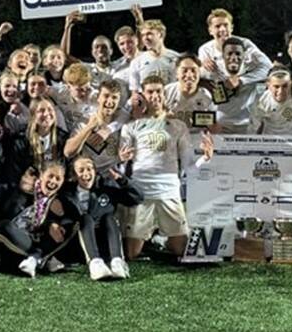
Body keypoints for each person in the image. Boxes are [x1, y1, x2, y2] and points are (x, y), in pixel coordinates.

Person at [119, 75, 214, 259]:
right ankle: (149, 234)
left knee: (181, 250)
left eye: (158, 91)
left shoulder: (178, 126)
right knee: (131, 254)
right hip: (141, 191)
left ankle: (160, 238)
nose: (155, 95)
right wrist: (122, 161)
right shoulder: (131, 127)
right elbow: (123, 169)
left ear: (164, 94)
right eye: (150, 92)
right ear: (143, 95)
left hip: (169, 191)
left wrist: (205, 158)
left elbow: (188, 167)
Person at [64, 155, 141, 280]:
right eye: (81, 170)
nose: (86, 173)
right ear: (74, 175)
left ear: (95, 171)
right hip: (79, 244)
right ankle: (95, 264)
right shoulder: (67, 193)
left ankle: (117, 261)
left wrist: (123, 181)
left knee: (109, 217)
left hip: (105, 242)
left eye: (89, 169)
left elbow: (137, 198)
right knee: (86, 218)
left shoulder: (106, 187)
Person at [0, 162, 75, 277]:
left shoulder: (60, 200)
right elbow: (4, 212)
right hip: (18, 240)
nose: (53, 181)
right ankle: (40, 259)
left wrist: (52, 223)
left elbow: (74, 218)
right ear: (41, 176)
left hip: (38, 242)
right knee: (4, 225)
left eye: (58, 179)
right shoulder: (26, 190)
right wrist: (21, 191)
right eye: (50, 176)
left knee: (68, 225)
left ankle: (34, 259)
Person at [0, 97, 68, 192]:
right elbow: (12, 171)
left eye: (50, 109)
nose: (46, 114)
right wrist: (22, 184)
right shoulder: (21, 140)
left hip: (56, 189)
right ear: (33, 115)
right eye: (41, 110)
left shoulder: (63, 138)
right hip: (27, 190)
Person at [198, 8, 273, 83]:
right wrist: (202, 66)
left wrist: (241, 80)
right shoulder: (205, 50)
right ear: (210, 31)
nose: (222, 29)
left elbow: (268, 67)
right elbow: (199, 74)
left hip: (247, 90)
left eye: (226, 25)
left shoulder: (245, 44)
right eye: (217, 26)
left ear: (231, 28)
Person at [210, 39, 261, 133]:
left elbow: (270, 69)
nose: (233, 57)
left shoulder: (254, 72)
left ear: (244, 56)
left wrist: (242, 80)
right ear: (222, 55)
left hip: (246, 127)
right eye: (229, 53)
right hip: (221, 126)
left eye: (238, 53)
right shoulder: (212, 71)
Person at [127, 18, 181, 93]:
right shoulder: (137, 62)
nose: (145, 38)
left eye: (149, 34)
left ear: (161, 34)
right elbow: (135, 92)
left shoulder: (177, 58)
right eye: (143, 35)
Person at [163, 55, 216, 131]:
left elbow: (213, 125)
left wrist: (212, 125)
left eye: (193, 70)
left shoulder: (206, 96)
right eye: (184, 71)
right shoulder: (167, 91)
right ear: (176, 74)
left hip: (196, 138)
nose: (189, 75)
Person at [251, 69, 292, 136]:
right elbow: (254, 127)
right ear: (268, 85)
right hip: (272, 140)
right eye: (276, 86)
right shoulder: (262, 101)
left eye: (285, 86)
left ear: (291, 84)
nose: (281, 91)